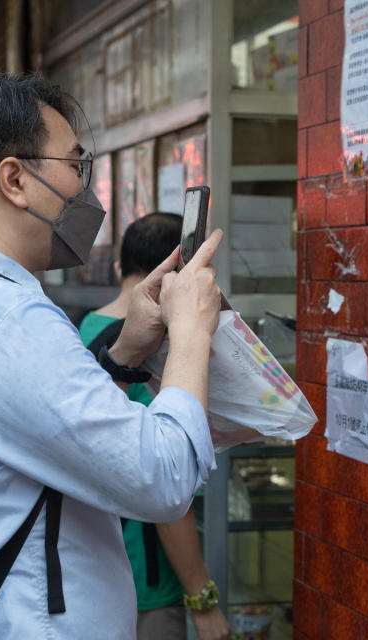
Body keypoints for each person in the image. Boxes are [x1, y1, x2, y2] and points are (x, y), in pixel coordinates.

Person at [0, 73, 223, 639]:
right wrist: (191, 333)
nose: (87, 191)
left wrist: (126, 349)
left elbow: (32, 436)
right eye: (75, 166)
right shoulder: (4, 319)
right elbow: (162, 479)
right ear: (14, 179)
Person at [79, 212, 230, 640]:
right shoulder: (154, 349)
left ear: (118, 267)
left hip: (96, 561)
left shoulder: (84, 330)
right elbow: (163, 475)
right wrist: (202, 601)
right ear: (182, 272)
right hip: (144, 576)